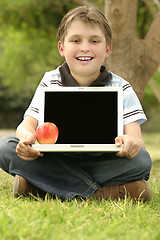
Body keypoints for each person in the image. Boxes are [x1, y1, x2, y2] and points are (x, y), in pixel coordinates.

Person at [0, 6, 152, 201]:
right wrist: (26, 137)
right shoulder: (50, 80)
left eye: (94, 41)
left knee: (142, 160)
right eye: (76, 40)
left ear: (108, 49)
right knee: (5, 147)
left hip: (103, 161)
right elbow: (26, 125)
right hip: (58, 158)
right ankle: (98, 193)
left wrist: (131, 144)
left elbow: (137, 141)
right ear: (62, 48)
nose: (85, 47)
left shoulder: (122, 87)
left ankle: (44, 186)